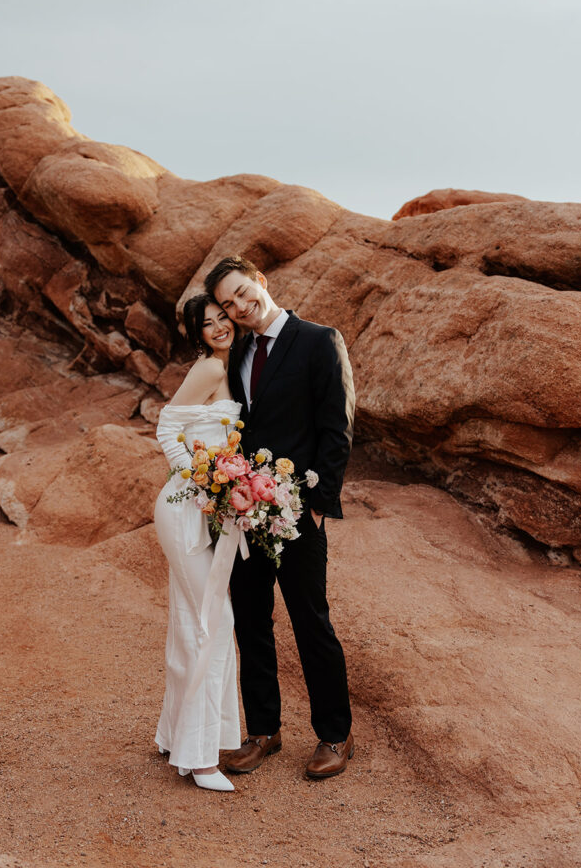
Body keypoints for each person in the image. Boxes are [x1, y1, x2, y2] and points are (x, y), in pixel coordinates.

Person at [204, 254, 356, 779]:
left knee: (311, 622)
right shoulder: (237, 349)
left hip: (298, 514)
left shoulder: (319, 340)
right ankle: (264, 730)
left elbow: (337, 429)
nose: (240, 307)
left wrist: (318, 507)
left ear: (261, 282)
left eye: (244, 293)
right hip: (245, 514)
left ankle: (335, 735)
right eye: (228, 304)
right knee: (251, 621)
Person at [153, 294, 241, 792]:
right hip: (184, 504)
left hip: (204, 508)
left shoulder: (233, 366)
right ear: (199, 334)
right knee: (215, 619)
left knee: (191, 620)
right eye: (207, 324)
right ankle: (201, 757)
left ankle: (174, 736)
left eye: (221, 318)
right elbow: (167, 426)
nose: (217, 327)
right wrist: (204, 479)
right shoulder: (209, 369)